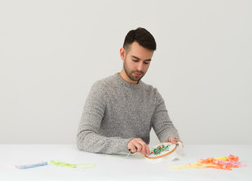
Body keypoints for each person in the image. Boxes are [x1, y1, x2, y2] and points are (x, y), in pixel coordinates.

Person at [77, 27, 181, 155]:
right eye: (135, 60)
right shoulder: (102, 89)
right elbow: (83, 138)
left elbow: (165, 126)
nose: (140, 68)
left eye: (146, 62)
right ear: (122, 54)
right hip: (105, 166)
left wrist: (171, 138)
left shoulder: (152, 95)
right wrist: (125, 144)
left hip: (140, 165)